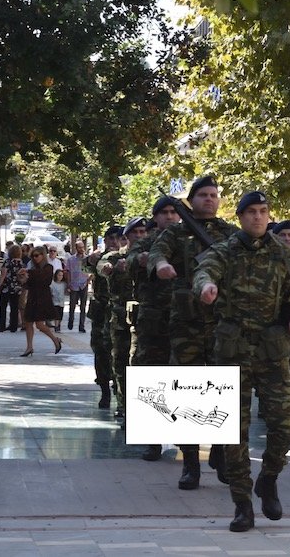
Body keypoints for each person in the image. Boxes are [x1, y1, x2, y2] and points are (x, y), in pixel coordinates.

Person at [193, 191, 290, 532]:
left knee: (285, 424)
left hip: (272, 349)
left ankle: (269, 478)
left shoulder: (280, 251)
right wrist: (207, 288)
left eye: (263, 211)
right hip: (234, 350)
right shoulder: (226, 250)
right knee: (232, 431)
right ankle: (242, 504)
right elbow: (204, 271)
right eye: (251, 212)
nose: (258, 217)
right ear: (241, 217)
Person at [148, 175, 238, 491]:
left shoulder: (230, 233)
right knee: (186, 392)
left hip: (222, 323)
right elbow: (156, 251)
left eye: (214, 194)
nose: (210, 199)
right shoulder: (177, 231)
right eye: (203, 195)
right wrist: (160, 265)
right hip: (185, 322)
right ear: (192, 199)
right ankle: (189, 464)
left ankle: (219, 452)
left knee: (221, 390)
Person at [129, 195, 180, 462]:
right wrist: (146, 260)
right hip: (153, 320)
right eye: (165, 212)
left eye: (174, 212)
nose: (170, 216)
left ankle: (187, 441)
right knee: (151, 377)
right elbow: (131, 261)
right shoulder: (146, 243)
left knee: (186, 378)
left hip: (186, 320)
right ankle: (152, 441)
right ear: (156, 217)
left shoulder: (188, 241)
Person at [98, 217, 148, 425]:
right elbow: (101, 265)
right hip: (120, 321)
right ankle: (124, 406)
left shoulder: (152, 254)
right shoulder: (116, 256)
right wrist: (109, 267)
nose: (139, 236)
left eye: (142, 232)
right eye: (134, 232)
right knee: (121, 365)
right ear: (126, 236)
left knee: (141, 364)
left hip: (147, 320)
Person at [87, 227, 122, 409]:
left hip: (119, 312)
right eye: (111, 238)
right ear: (106, 240)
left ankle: (119, 392)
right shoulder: (99, 257)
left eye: (118, 238)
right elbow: (86, 265)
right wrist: (90, 259)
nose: (115, 242)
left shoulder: (127, 256)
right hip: (101, 312)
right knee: (100, 352)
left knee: (119, 353)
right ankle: (105, 391)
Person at [19, 246, 63, 357]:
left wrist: (28, 273)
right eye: (33, 256)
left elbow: (45, 279)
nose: (35, 258)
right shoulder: (32, 269)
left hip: (42, 298)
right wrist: (23, 279)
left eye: (37, 255)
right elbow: (28, 284)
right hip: (33, 296)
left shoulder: (48, 267)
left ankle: (55, 340)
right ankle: (29, 347)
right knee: (28, 322)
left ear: (43, 255)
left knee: (39, 324)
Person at [0, 245, 24, 333]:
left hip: (6, 287)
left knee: (3, 307)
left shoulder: (7, 262)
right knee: (14, 308)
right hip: (17, 288)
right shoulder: (21, 263)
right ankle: (13, 326)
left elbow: (3, 275)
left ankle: (1, 326)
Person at [65, 240, 89, 332]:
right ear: (76, 248)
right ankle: (71, 321)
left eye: (82, 247)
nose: (82, 249)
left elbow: (91, 272)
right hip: (74, 284)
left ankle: (81, 326)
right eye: (79, 247)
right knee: (72, 305)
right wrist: (68, 284)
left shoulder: (87, 259)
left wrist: (87, 281)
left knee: (83, 306)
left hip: (83, 284)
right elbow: (68, 272)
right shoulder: (71, 259)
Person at [50, 269, 67, 333]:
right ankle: (56, 326)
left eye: (61, 275)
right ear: (56, 275)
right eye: (59, 275)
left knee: (60, 316)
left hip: (61, 302)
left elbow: (66, 291)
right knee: (56, 315)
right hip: (54, 302)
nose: (60, 277)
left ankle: (58, 324)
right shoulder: (52, 283)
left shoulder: (64, 284)